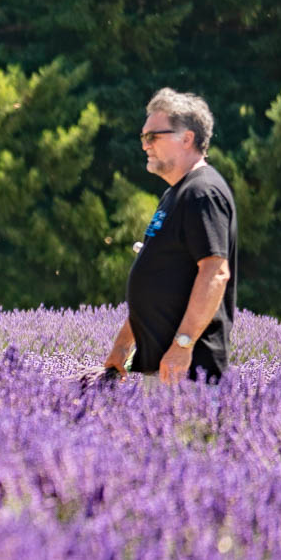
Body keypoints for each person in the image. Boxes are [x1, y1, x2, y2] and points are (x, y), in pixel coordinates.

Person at [103, 88, 238, 383]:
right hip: (165, 366)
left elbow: (215, 272)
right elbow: (157, 278)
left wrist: (183, 345)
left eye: (153, 136)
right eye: (143, 137)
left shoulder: (202, 192)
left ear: (186, 138)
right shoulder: (175, 194)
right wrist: (123, 345)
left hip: (189, 370)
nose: (145, 146)